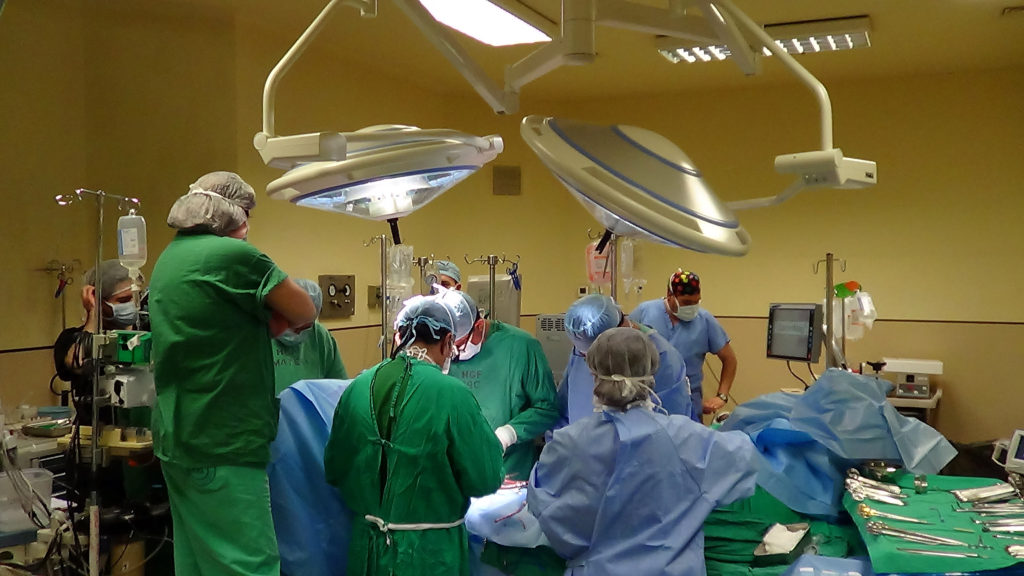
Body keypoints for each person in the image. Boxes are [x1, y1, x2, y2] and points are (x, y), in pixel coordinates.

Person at [149, 171, 317, 576]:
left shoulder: (169, 257)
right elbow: (304, 311)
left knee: (198, 565)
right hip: (223, 442)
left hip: (179, 439)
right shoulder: (235, 257)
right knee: (249, 566)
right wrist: (272, 321)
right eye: (247, 214)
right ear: (232, 213)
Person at [527, 328, 758, 576]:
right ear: (652, 372)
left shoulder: (568, 443)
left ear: (593, 375)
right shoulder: (687, 438)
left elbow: (548, 514)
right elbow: (748, 459)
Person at [324, 297, 504, 576]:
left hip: (367, 552)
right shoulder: (453, 394)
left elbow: (335, 470)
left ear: (398, 336)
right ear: (447, 342)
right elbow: (485, 479)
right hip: (429, 556)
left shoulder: (357, 387)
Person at [446, 291, 559, 481]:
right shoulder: (442, 351)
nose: (453, 354)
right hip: (455, 472)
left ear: (479, 326)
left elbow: (547, 408)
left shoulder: (521, 346)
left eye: (459, 346)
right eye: (448, 347)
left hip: (508, 471)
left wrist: (509, 434)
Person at [560, 293, 690, 426]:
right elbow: (563, 409)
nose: (591, 364)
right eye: (585, 355)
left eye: (596, 354)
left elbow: (669, 425)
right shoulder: (580, 351)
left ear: (620, 331)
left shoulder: (662, 358)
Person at [630, 270, 738, 420]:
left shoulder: (705, 320)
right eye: (686, 302)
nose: (692, 307)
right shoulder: (645, 312)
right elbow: (623, 346)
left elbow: (729, 359)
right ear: (670, 295)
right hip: (647, 400)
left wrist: (722, 396)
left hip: (688, 401)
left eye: (696, 302)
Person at [53, 260, 143, 402]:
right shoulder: (71, 338)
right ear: (99, 300)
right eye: (124, 300)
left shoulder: (145, 333)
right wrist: (93, 313)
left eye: (136, 297)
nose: (132, 305)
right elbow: (76, 363)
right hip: (96, 416)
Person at [273, 278, 347, 394]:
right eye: (293, 323)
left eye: (305, 327)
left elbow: (339, 387)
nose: (297, 332)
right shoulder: (260, 334)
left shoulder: (320, 337)